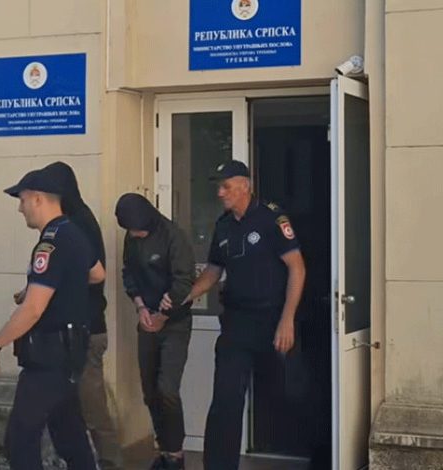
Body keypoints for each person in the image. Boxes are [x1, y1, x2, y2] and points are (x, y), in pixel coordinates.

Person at [162, 160, 306, 470]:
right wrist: (185, 296)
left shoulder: (271, 218)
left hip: (273, 320)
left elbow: (297, 267)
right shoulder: (224, 225)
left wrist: (287, 320)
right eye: (219, 186)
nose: (220, 192)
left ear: (244, 186)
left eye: (226, 186)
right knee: (225, 401)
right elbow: (213, 271)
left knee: (289, 395)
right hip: (238, 323)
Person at [0, 168, 105, 470]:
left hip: (49, 356)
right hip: (70, 352)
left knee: (20, 438)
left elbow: (33, 310)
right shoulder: (74, 233)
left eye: (23, 200)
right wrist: (57, 286)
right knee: (69, 434)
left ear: (38, 199)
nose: (20, 208)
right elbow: (97, 273)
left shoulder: (51, 243)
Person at [42, 161, 123, 469]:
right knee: (74, 404)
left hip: (87, 328)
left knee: (91, 404)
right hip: (78, 327)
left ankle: (109, 461)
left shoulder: (75, 225)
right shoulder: (74, 220)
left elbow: (92, 273)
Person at [115, 193, 195, 470]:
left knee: (167, 389)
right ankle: (164, 449)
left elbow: (184, 281)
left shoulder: (173, 236)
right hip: (147, 318)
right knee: (150, 391)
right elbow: (128, 272)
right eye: (129, 230)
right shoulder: (131, 237)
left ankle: (176, 454)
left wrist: (163, 315)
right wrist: (140, 307)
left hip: (174, 322)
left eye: (136, 230)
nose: (133, 235)